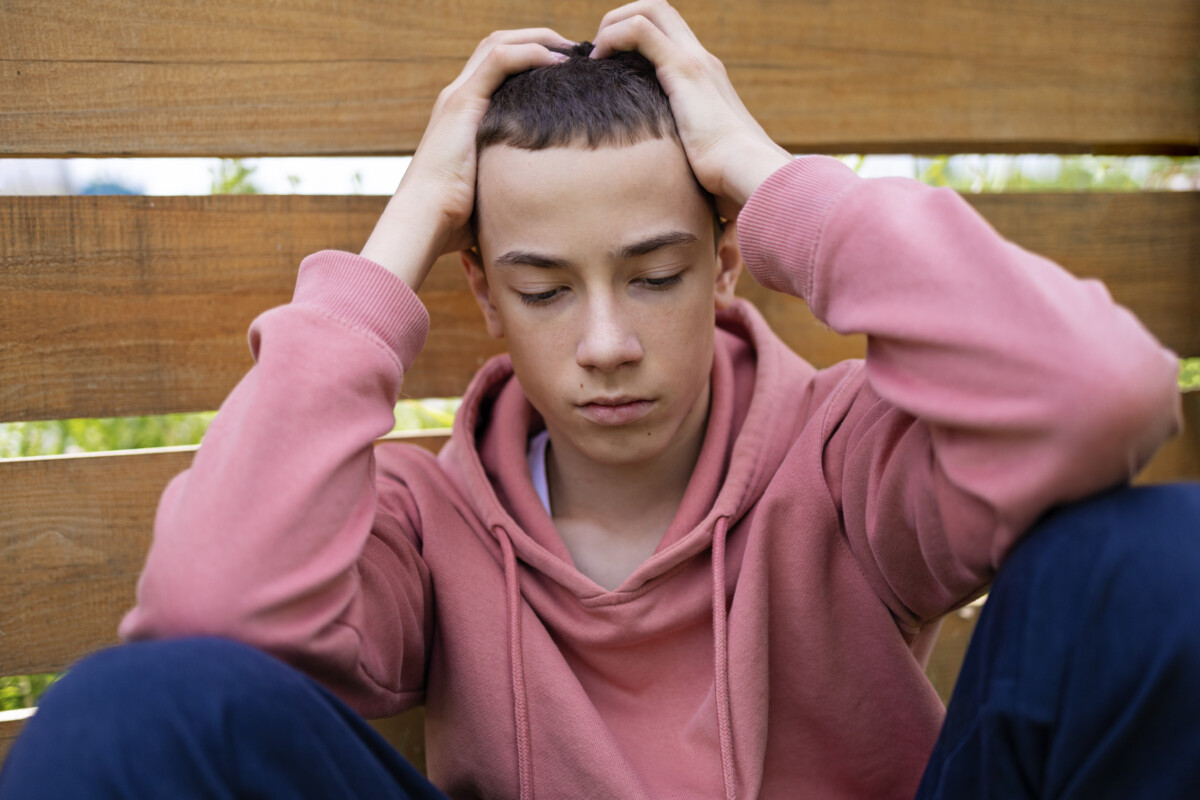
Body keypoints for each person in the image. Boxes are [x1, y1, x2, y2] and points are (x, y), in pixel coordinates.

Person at [2, 1, 1195, 798]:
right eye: (545, 289)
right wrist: (407, 224)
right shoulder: (427, 520)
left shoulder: (839, 458)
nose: (608, 343)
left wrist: (780, 186)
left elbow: (1103, 392)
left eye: (658, 273)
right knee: (129, 709)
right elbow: (211, 604)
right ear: (482, 295)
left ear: (728, 259)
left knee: (1157, 561)